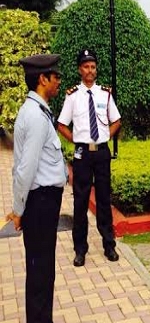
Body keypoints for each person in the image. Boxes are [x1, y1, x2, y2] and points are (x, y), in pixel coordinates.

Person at [6, 54, 76, 323]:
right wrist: (18, 211)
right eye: (54, 76)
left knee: (44, 273)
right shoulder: (33, 117)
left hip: (45, 203)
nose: (59, 80)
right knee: (38, 278)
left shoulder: (38, 111)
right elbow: (24, 170)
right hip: (38, 204)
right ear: (42, 80)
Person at [57, 49, 121, 267]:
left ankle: (109, 245)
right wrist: (76, 139)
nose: (90, 70)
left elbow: (117, 120)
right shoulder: (73, 96)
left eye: (93, 66)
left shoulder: (105, 94)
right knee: (80, 202)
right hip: (83, 154)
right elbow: (61, 124)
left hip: (101, 152)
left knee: (104, 199)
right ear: (79, 69)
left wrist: (105, 136)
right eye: (86, 66)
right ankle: (80, 249)